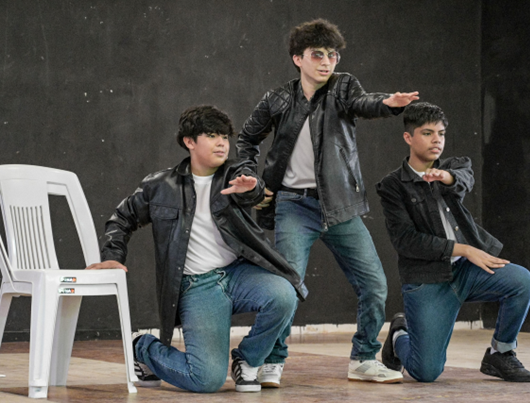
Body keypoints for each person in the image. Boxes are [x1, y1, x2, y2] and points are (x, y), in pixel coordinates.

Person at [236, 18, 419, 386]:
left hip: (340, 206)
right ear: (298, 58)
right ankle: (272, 359)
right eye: (317, 54)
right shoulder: (278, 99)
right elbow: (246, 139)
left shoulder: (343, 87)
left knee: (374, 284)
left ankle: (363, 358)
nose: (326, 62)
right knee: (286, 287)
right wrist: (252, 178)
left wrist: (389, 104)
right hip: (293, 205)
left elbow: (364, 103)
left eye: (332, 55)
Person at [86, 105, 308, 393]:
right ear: (189, 141)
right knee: (206, 380)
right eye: (212, 136)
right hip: (197, 286)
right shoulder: (160, 186)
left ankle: (247, 361)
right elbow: (122, 218)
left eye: (225, 137)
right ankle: (141, 347)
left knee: (284, 294)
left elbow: (251, 188)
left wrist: (252, 188)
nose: (222, 143)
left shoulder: (234, 175)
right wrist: (112, 257)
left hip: (237, 276)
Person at [376, 102, 530, 383]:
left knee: (522, 281)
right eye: (427, 133)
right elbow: (406, 241)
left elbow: (464, 179)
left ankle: (501, 353)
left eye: (441, 133)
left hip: (466, 271)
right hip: (428, 280)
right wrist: (464, 249)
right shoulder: (393, 185)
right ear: (408, 137)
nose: (436, 140)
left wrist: (445, 177)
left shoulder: (453, 167)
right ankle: (400, 333)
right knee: (426, 372)